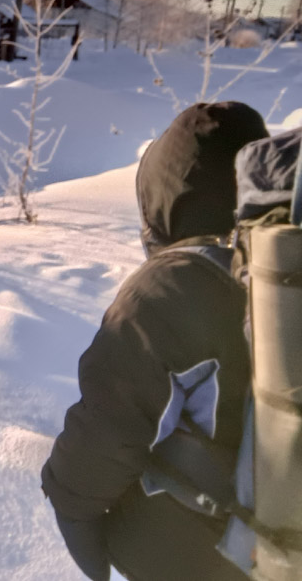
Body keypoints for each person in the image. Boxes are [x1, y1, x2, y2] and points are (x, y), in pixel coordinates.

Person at [41, 101, 269, 581]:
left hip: (217, 554)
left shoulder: (174, 283)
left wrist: (72, 507)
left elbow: (110, 419)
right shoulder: (283, 268)